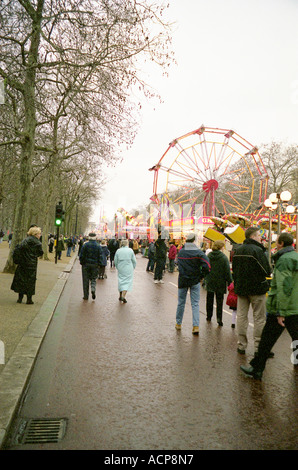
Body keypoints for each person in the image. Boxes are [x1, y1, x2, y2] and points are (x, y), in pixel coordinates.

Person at [240, 232, 298, 380]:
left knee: (266, 340)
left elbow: (284, 287)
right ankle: (257, 367)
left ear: (281, 244)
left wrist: (281, 312)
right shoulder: (294, 257)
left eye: (276, 242)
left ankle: (257, 368)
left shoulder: (284, 260)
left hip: (282, 308)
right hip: (293, 307)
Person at [232, 227, 271, 355]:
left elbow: (234, 271)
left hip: (241, 288)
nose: (261, 238)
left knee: (241, 317)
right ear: (253, 237)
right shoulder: (258, 250)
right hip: (257, 288)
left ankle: (241, 345)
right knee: (259, 318)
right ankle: (258, 347)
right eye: (259, 235)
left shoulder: (238, 250)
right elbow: (266, 270)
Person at [175, 233, 210, 335]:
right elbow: (207, 266)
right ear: (194, 241)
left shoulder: (181, 252)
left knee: (181, 302)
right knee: (195, 304)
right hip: (195, 280)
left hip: (183, 280)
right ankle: (195, 326)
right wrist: (201, 276)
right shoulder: (198, 252)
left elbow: (177, 264)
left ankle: (178, 324)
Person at [11, 226, 43, 304]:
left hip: (23, 263)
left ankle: (20, 298)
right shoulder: (38, 243)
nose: (40, 235)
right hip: (31, 265)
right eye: (39, 233)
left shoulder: (24, 241)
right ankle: (29, 299)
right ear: (35, 234)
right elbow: (40, 253)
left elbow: (19, 250)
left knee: (21, 280)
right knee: (30, 281)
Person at [205, 240, 233, 326]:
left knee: (209, 299)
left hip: (210, 281)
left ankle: (209, 316)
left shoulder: (209, 256)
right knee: (219, 301)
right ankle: (219, 319)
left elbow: (206, 268)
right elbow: (227, 272)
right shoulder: (224, 258)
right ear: (221, 248)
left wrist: (206, 277)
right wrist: (230, 282)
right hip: (220, 282)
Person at [79, 232, 103, 300]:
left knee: (85, 280)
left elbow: (81, 255)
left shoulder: (85, 245)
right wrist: (99, 264)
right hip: (95, 265)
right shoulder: (98, 246)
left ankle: (86, 295)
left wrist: (82, 262)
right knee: (93, 279)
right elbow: (100, 256)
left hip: (86, 265)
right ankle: (93, 288)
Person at [114, 239, 136, 303]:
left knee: (121, 280)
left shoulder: (118, 250)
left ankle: (120, 294)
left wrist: (117, 266)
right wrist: (133, 267)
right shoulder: (130, 250)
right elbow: (134, 260)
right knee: (127, 281)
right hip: (128, 267)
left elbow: (115, 260)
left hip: (121, 267)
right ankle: (123, 295)